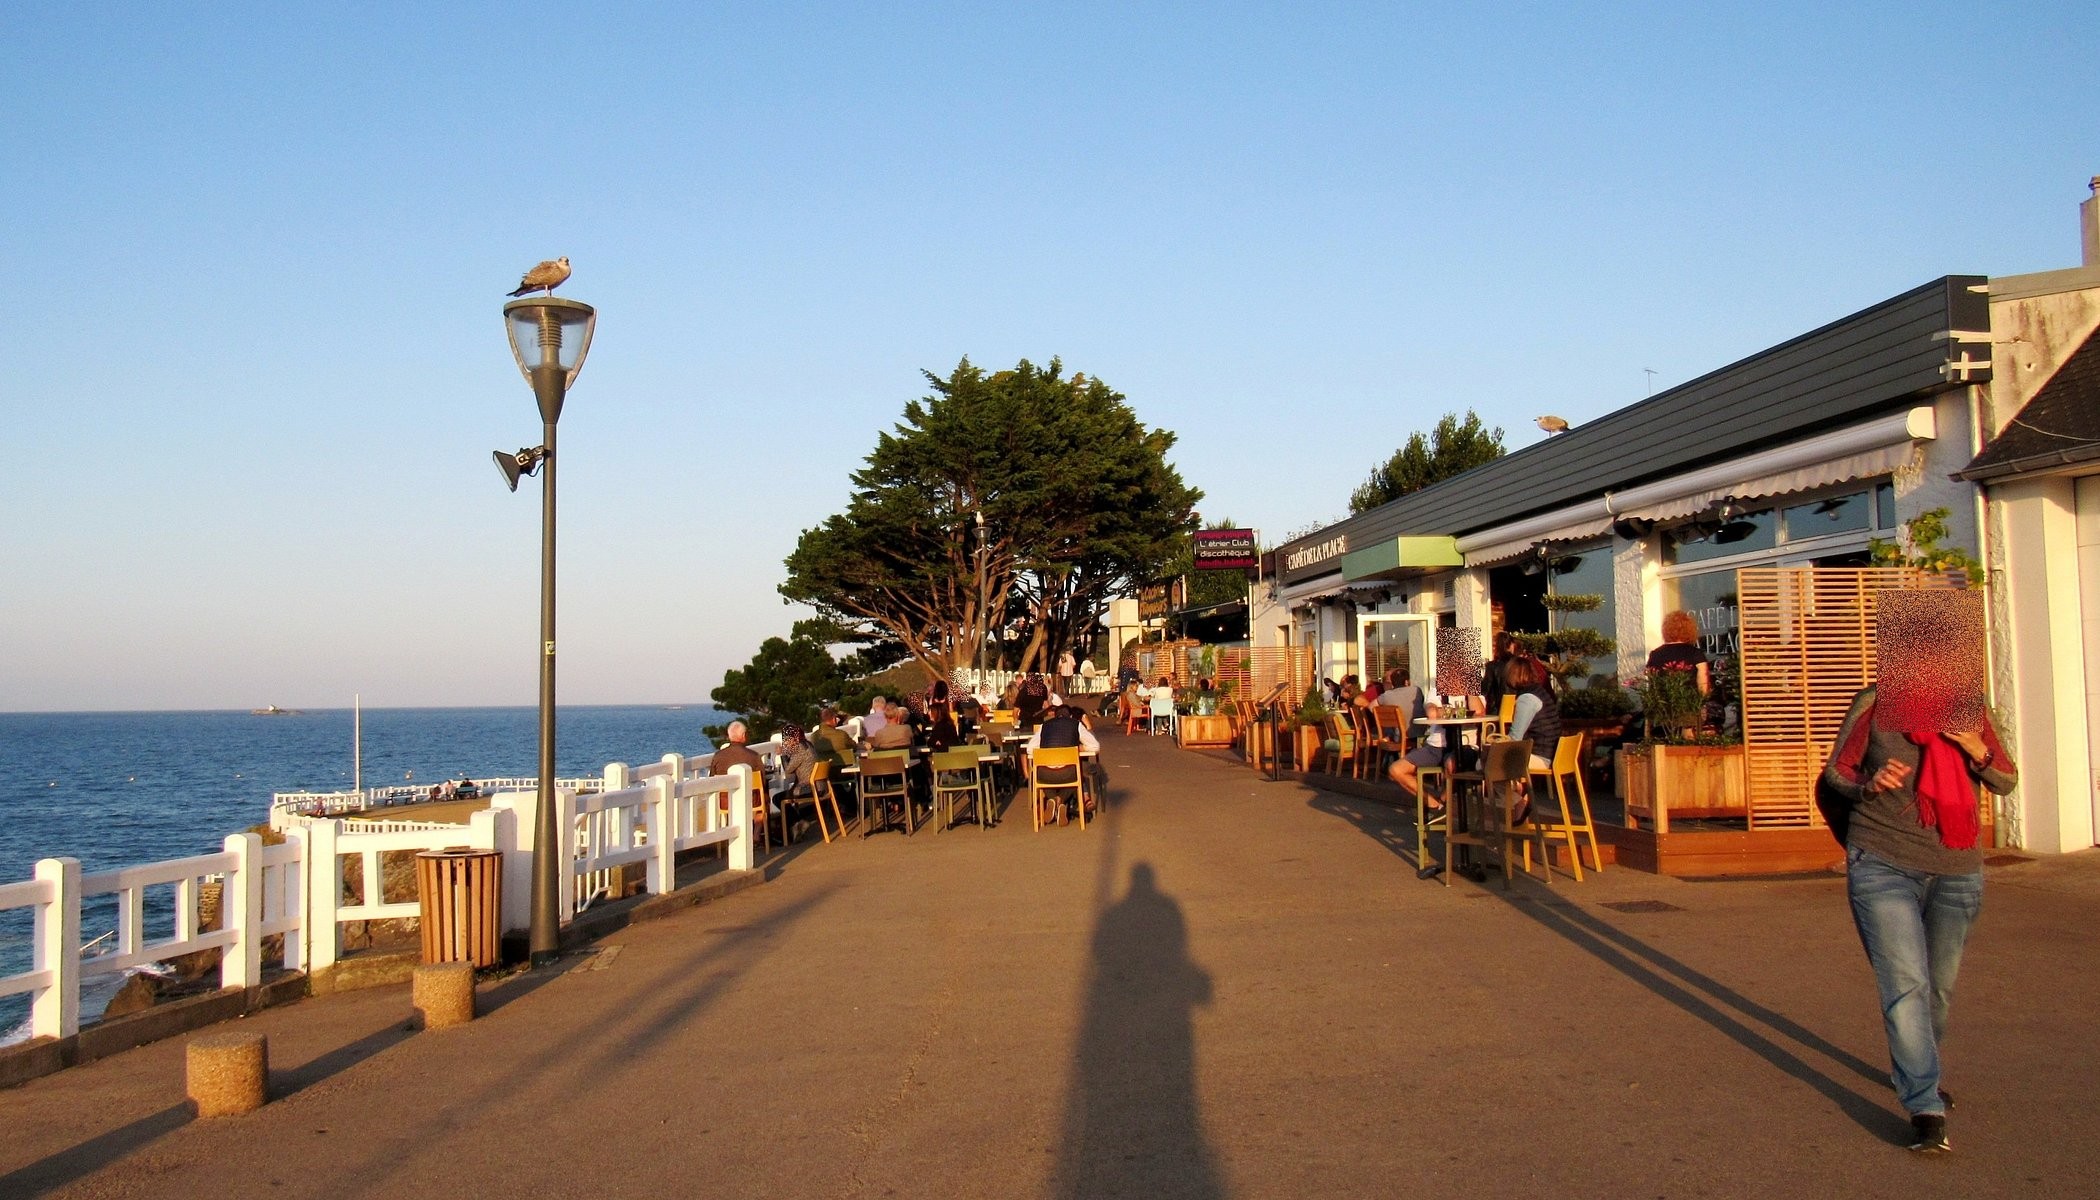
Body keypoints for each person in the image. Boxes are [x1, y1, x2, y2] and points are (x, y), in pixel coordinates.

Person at [1821, 686, 2016, 1154]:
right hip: (1882, 861)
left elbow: (2006, 781)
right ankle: (1925, 1106)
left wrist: (1976, 749)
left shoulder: (1969, 705)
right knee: (1907, 983)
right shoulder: (1874, 702)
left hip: (1957, 868)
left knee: (1938, 987)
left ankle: (1914, 1066)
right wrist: (1868, 784)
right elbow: (1836, 773)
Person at [1027, 704, 1101, 823]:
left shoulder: (1044, 726)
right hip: (1067, 773)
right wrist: (1079, 748)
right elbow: (1095, 746)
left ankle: (1052, 799)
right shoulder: (1076, 725)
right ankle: (1060, 800)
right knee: (1077, 774)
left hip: (1045, 774)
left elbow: (1030, 749)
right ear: (1071, 716)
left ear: (1055, 716)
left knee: (1039, 776)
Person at [1647, 609, 1713, 695]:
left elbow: (1652, 684)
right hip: (1689, 704)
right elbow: (1703, 685)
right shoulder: (1696, 653)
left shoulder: (1655, 654)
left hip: (1663, 705)